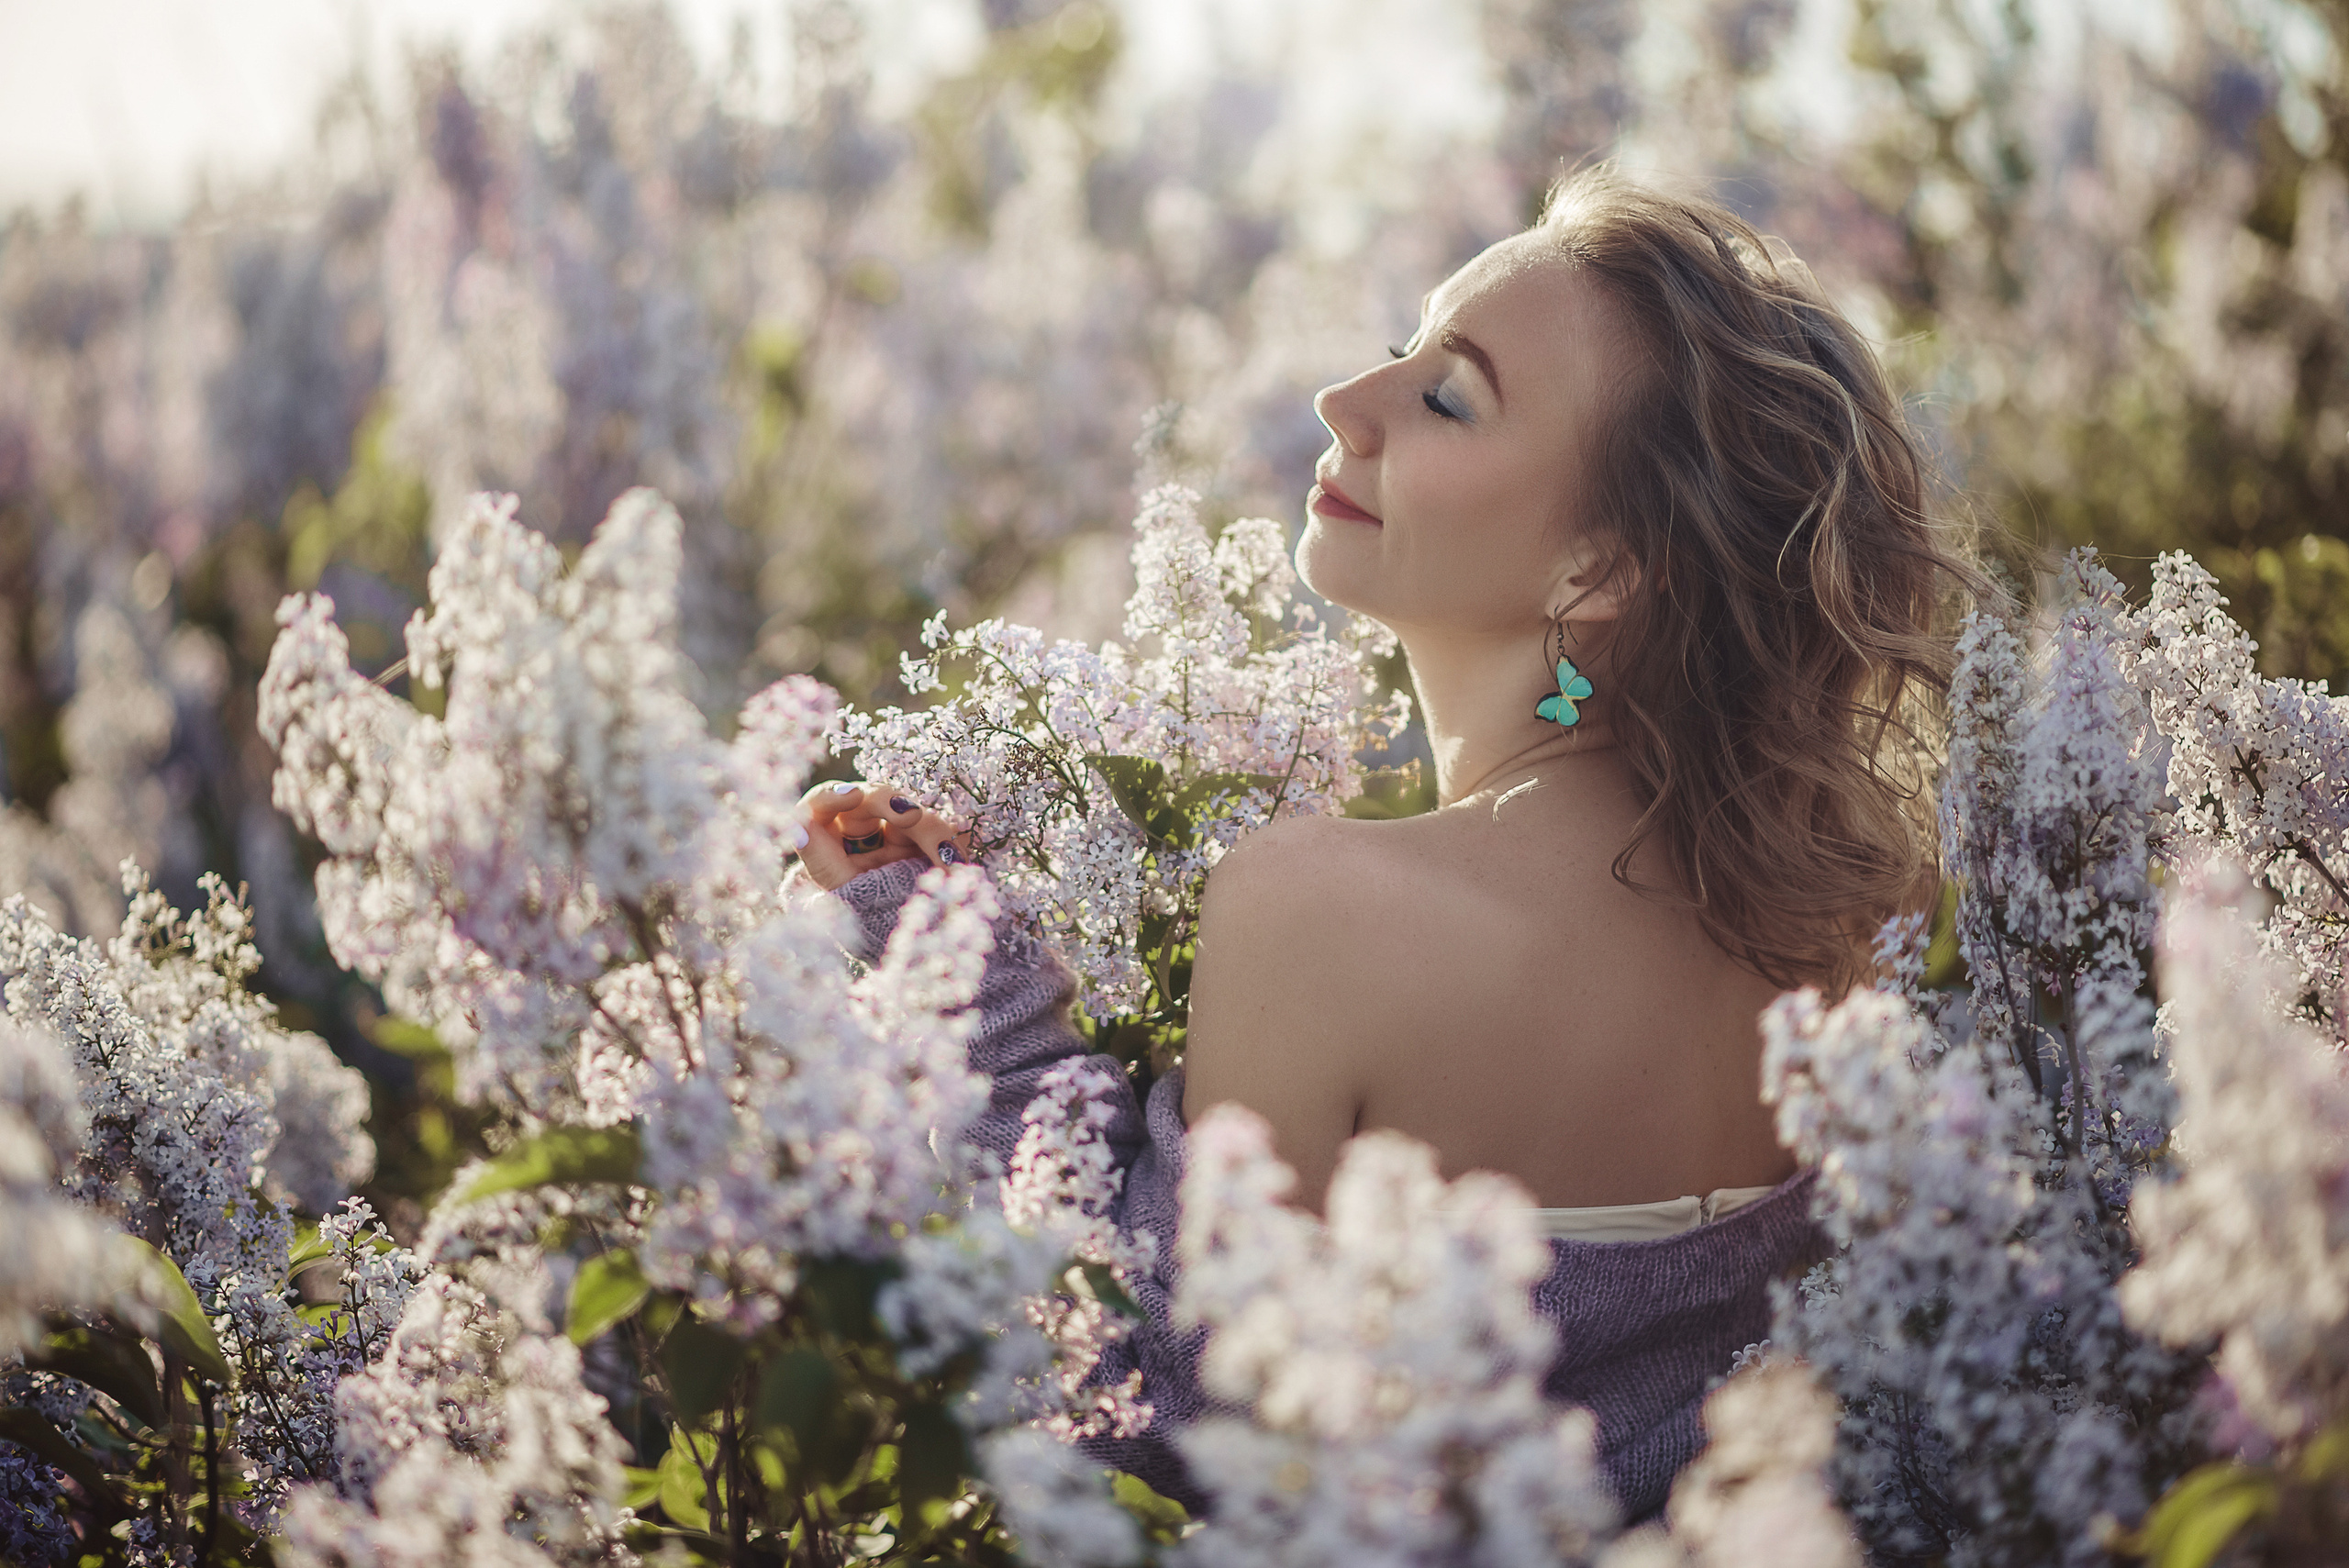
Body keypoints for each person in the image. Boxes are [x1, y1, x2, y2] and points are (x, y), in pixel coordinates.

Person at [791, 165, 1975, 1521]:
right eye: (1405, 346)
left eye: (1447, 395)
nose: (1345, 401)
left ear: (1595, 567)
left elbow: (1152, 1419)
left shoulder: (1322, 905)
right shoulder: (1831, 943)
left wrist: (966, 992)